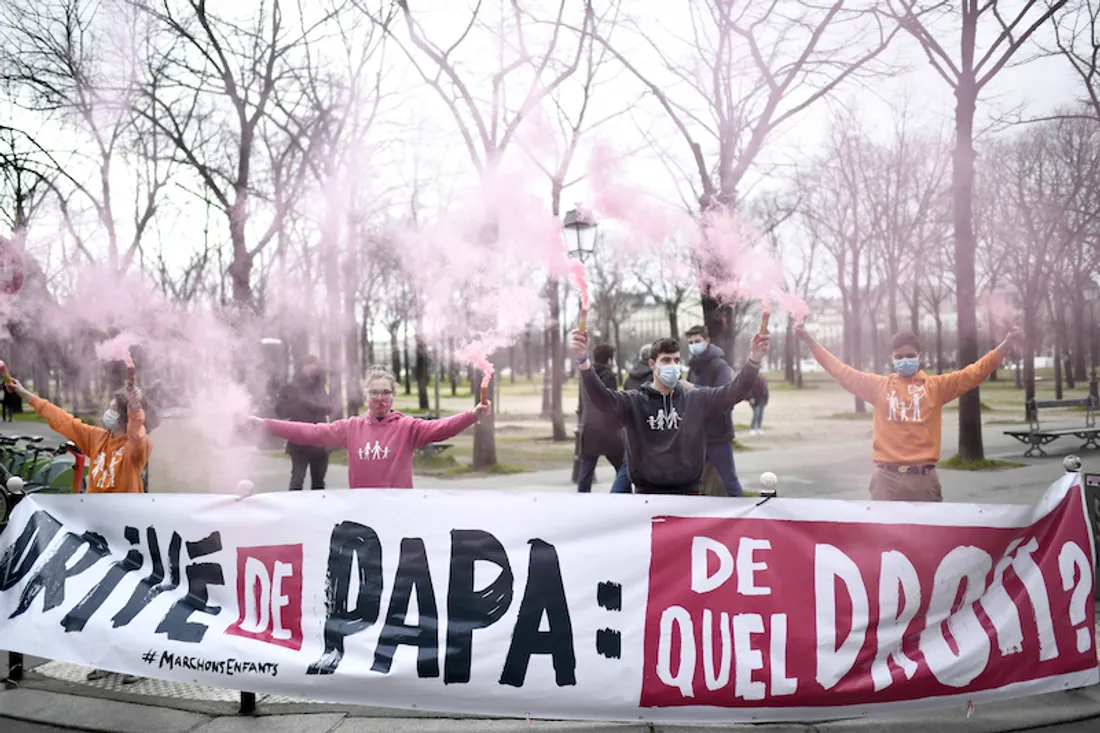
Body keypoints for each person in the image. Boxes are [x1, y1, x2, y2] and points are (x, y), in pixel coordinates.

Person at [8, 376, 158, 683]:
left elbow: (138, 437)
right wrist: (24, 393)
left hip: (128, 536)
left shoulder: (135, 445)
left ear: (125, 415)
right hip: (99, 536)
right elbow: (61, 419)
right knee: (104, 597)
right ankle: (110, 659)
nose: (107, 412)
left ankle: (137, 663)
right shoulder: (96, 438)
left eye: (113, 408)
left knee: (131, 598)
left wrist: (135, 408)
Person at [797, 323, 1024, 502]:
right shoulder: (878, 387)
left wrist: (1005, 345)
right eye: (899, 357)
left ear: (920, 356)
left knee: (928, 546)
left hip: (922, 480)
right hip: (886, 479)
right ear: (892, 359)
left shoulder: (936, 388)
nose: (904, 360)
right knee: (884, 545)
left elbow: (974, 373)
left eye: (909, 355)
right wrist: (809, 340)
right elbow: (841, 371)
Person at [571, 329, 769, 495]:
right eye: (666, 360)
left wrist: (754, 360)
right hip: (646, 494)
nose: (672, 366)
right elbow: (601, 397)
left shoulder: (697, 399)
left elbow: (733, 392)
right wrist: (584, 362)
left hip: (689, 493)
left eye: (676, 360)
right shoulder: (635, 401)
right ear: (652, 365)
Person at [249, 365, 490, 489]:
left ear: (393, 396)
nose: (380, 398)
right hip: (363, 516)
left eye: (386, 392)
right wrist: (266, 425)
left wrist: (472, 415)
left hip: (399, 513)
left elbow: (441, 428)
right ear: (366, 396)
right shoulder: (351, 428)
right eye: (374, 392)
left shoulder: (407, 427)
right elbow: (310, 432)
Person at [685, 324, 744, 497]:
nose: (693, 345)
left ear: (707, 341)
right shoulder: (692, 367)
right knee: (695, 481)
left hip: (718, 434)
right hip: (698, 434)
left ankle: (744, 518)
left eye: (697, 341)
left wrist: (692, 387)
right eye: (690, 342)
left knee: (729, 481)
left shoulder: (719, 365)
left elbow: (724, 396)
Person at [275, 355, 333, 491]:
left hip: (319, 441)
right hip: (299, 442)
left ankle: (319, 510)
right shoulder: (291, 387)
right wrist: (299, 406)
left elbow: (328, 408)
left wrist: (312, 406)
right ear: (301, 367)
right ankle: (295, 510)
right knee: (297, 479)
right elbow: (280, 411)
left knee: (319, 482)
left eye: (315, 364)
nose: (313, 367)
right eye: (309, 364)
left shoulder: (320, 387)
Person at [576, 343, 624, 493]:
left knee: (587, 469)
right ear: (609, 360)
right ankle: (620, 495)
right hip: (607, 429)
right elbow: (611, 402)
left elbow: (581, 403)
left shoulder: (585, 375)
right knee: (624, 467)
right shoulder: (609, 377)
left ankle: (581, 499)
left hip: (589, 427)